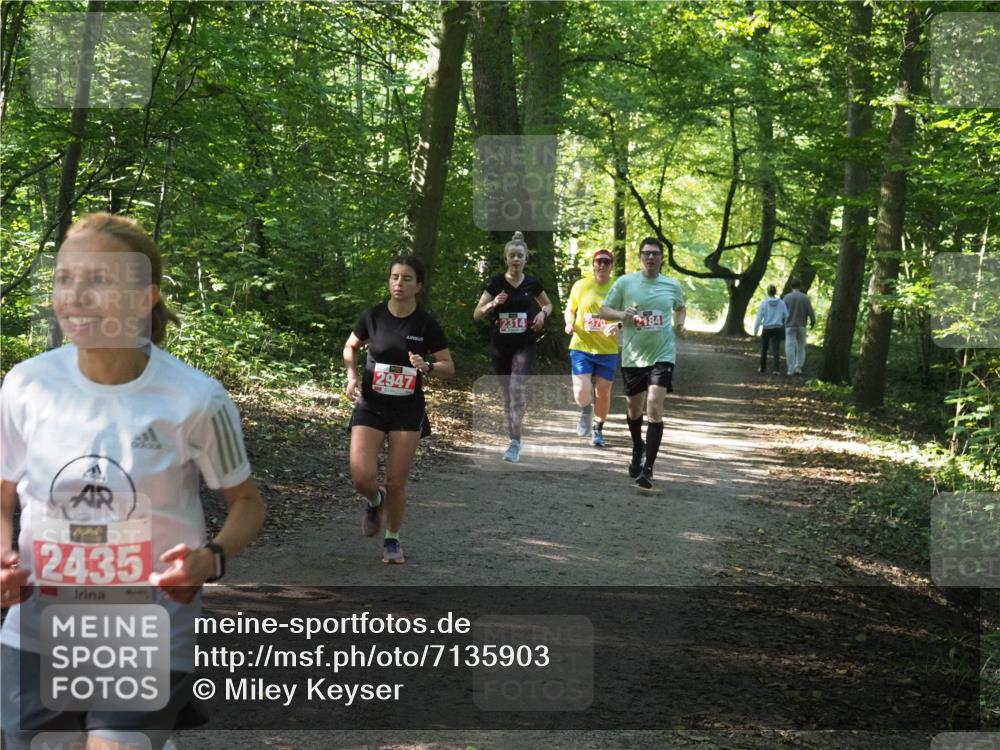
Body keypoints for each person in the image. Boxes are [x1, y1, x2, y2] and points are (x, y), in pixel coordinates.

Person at [0, 212, 266, 750]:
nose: (75, 295)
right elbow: (3, 494)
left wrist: (209, 559)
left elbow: (248, 503)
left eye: (98, 280)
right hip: (34, 628)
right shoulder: (27, 385)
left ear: (145, 298)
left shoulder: (194, 398)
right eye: (64, 278)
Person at [343, 256, 454, 564]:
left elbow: (448, 367)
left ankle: (392, 540)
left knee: (395, 481)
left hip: (407, 410)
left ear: (418, 285)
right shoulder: (373, 316)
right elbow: (350, 346)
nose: (399, 283)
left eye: (407, 278)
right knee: (361, 478)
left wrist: (428, 366)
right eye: (394, 277)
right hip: (371, 406)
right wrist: (352, 375)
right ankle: (375, 500)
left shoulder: (426, 324)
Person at [600, 237, 686, 489]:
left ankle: (648, 468)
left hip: (663, 354)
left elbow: (680, 308)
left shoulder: (672, 285)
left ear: (661, 258)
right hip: (633, 356)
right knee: (634, 411)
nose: (651, 258)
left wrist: (680, 323)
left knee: (654, 408)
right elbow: (604, 311)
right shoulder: (626, 282)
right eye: (646, 254)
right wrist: (622, 315)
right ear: (640, 257)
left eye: (655, 254)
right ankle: (638, 446)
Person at [473, 231, 552, 462]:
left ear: (526, 258)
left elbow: (548, 305)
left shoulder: (532, 283)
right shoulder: (495, 282)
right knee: (507, 393)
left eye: (520, 256)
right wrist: (492, 304)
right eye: (512, 256)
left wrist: (541, 315)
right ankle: (514, 435)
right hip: (501, 345)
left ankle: (514, 441)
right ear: (506, 259)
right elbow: (477, 314)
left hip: (524, 344)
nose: (516, 260)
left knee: (517, 387)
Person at [564, 248, 620, 447]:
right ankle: (586, 410)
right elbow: (570, 308)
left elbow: (627, 315)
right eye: (599, 261)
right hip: (581, 346)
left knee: (603, 392)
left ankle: (598, 429)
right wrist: (569, 322)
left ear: (612, 265)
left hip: (608, 350)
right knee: (581, 390)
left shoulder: (618, 287)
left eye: (606, 261)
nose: (602, 265)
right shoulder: (581, 285)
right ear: (593, 264)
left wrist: (619, 325)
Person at [782, 278, 816, 376]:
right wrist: (813, 321)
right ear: (800, 286)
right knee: (801, 346)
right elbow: (810, 311)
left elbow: (782, 311)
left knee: (789, 346)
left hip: (789, 325)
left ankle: (790, 369)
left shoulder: (786, 297)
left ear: (791, 286)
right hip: (802, 325)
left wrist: (782, 321)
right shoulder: (805, 297)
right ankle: (798, 367)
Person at [753, 284, 788, 374]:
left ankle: (762, 368)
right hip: (777, 328)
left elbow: (759, 317)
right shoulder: (781, 302)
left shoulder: (764, 303)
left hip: (767, 328)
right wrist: (783, 323)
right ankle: (776, 370)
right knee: (776, 349)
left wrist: (755, 331)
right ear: (775, 292)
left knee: (764, 349)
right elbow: (786, 315)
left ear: (768, 292)